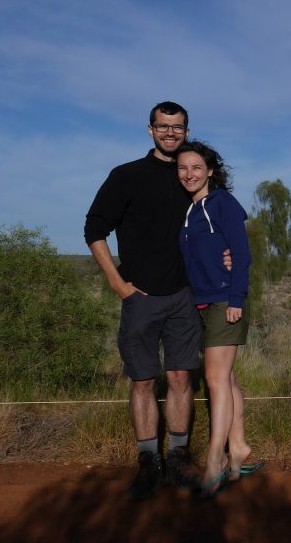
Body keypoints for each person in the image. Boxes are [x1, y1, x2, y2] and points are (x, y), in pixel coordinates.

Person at [84, 101, 208, 499]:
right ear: (150, 129)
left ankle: (178, 459)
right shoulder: (127, 176)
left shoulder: (191, 175)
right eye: (163, 126)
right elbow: (94, 229)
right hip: (140, 296)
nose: (170, 132)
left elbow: (216, 224)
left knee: (179, 378)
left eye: (178, 127)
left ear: (187, 131)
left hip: (183, 296)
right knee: (142, 381)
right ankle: (147, 464)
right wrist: (119, 284)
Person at [175, 140, 263, 498]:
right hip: (202, 302)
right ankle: (239, 447)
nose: (189, 174)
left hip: (224, 301)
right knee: (226, 378)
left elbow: (241, 254)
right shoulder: (190, 210)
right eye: (183, 168)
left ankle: (215, 462)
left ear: (210, 170)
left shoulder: (222, 203)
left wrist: (236, 298)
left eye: (196, 167)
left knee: (214, 379)